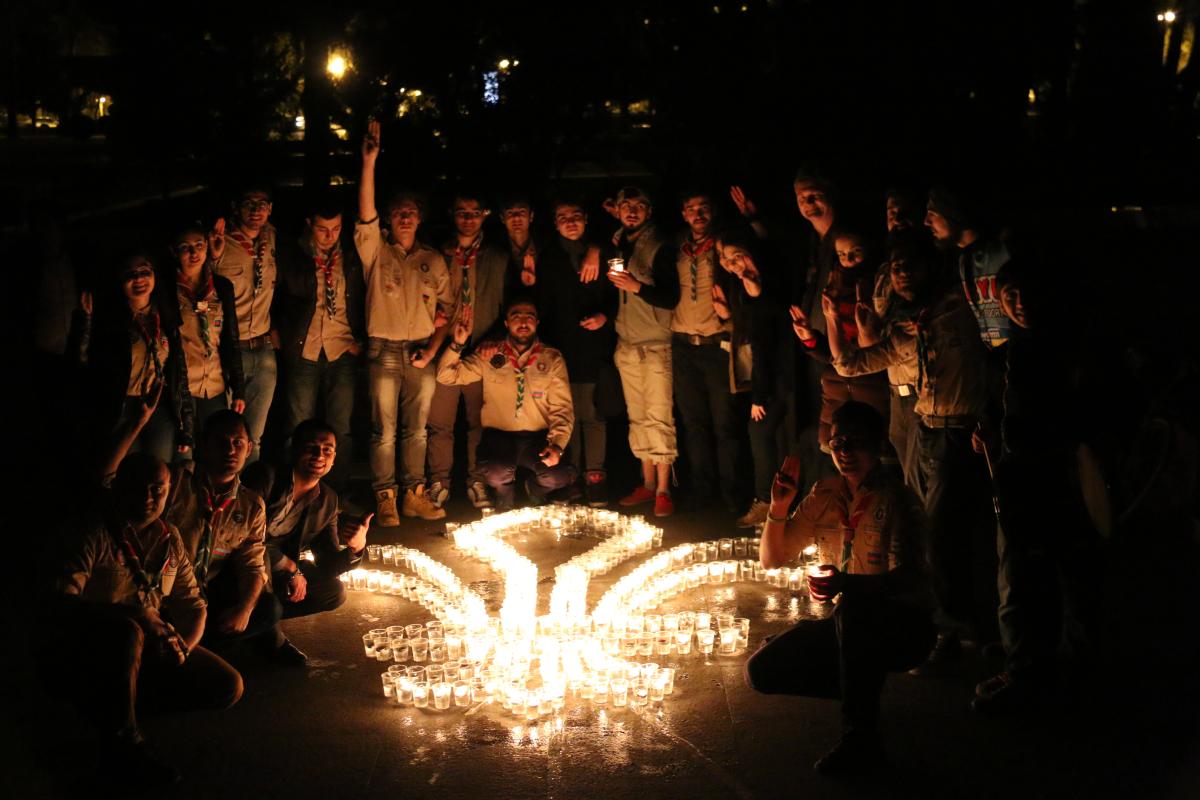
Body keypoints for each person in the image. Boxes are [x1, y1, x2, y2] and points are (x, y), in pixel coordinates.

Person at [825, 233, 996, 672]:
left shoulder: (960, 310)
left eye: (910, 265)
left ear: (930, 269)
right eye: (896, 266)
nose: (901, 274)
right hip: (925, 432)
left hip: (963, 431)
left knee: (949, 534)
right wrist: (832, 321)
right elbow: (852, 364)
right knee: (927, 531)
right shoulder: (906, 326)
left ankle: (959, 629)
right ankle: (951, 627)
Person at [745, 402, 933, 776]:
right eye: (837, 443)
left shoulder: (897, 500)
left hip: (903, 628)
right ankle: (859, 687)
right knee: (761, 670)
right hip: (850, 629)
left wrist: (846, 584)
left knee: (853, 609)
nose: (844, 452)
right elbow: (772, 558)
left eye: (855, 443)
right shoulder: (825, 494)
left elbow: (913, 582)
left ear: (878, 445)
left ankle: (861, 738)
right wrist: (779, 507)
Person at [45, 452, 242, 788]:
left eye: (158, 489)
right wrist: (134, 615)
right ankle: (124, 744)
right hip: (96, 646)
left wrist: (183, 647)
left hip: (151, 645)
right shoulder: (93, 532)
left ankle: (116, 710)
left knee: (228, 686)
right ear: (119, 487)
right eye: (139, 488)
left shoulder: (169, 537)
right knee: (127, 632)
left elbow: (193, 604)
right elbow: (60, 604)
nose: (149, 498)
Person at [971, 261, 1101, 713]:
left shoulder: (1071, 351)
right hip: (1016, 481)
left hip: (1060, 480)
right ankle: (1025, 666)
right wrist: (987, 430)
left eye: (1028, 293)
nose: (1020, 303)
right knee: (1018, 578)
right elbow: (993, 410)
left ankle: (1072, 672)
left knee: (1071, 576)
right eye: (1011, 295)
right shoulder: (1003, 355)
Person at [355, 120, 453, 524]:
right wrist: (369, 164)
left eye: (411, 213)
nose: (405, 218)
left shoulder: (432, 259)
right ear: (389, 221)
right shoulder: (376, 252)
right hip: (383, 349)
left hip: (420, 352)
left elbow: (445, 313)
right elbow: (365, 212)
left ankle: (414, 492)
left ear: (420, 219)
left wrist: (432, 348)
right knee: (385, 431)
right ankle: (385, 496)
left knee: (418, 430)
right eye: (398, 214)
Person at [242, 419, 372, 664]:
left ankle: (259, 619)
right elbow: (246, 537)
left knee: (333, 591)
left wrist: (355, 548)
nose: (318, 455)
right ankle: (271, 639)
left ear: (334, 457)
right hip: (242, 565)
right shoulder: (266, 477)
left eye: (327, 450)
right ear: (294, 449)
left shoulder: (327, 500)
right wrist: (290, 568)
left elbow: (328, 563)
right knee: (264, 570)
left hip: (275, 573)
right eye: (311, 447)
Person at [160, 410, 288, 659]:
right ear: (203, 446)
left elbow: (252, 564)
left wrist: (245, 609)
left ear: (249, 448)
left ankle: (195, 648)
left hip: (205, 593)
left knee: (267, 607)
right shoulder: (174, 482)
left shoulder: (251, 504)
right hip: (165, 592)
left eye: (237, 443)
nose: (230, 450)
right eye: (221, 442)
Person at [436, 297, 575, 509]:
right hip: (500, 436)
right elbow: (446, 376)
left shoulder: (551, 358)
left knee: (558, 476)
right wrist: (457, 345)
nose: (523, 322)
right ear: (506, 323)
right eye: (516, 316)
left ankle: (535, 489)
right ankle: (504, 495)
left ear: (537, 323)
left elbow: (562, 408)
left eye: (529, 317)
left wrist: (557, 446)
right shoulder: (490, 354)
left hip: (537, 438)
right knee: (496, 471)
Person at [428, 189, 512, 511]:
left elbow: (507, 302)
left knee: (479, 422)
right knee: (440, 423)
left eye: (474, 212)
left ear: (485, 215)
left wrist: (496, 343)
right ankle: (439, 481)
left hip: (482, 350)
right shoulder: (439, 253)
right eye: (462, 211)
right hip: (444, 348)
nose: (468, 218)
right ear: (453, 214)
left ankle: (477, 480)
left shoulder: (497, 256)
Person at [275, 195, 365, 491]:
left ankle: (334, 496)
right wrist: (280, 333)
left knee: (340, 429)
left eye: (336, 229)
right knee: (296, 427)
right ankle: (292, 494)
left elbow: (364, 297)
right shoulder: (294, 254)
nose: (330, 236)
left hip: (341, 349)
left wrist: (359, 338)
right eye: (323, 229)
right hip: (305, 349)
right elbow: (279, 296)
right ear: (309, 225)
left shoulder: (350, 255)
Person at [531, 197, 618, 506]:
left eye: (576, 215)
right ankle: (570, 478)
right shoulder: (548, 256)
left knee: (592, 412)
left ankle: (595, 476)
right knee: (565, 412)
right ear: (555, 223)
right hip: (560, 347)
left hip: (594, 345)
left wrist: (605, 316)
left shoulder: (602, 252)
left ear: (586, 219)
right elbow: (542, 301)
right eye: (563, 216)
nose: (570, 222)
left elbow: (615, 293)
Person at [606, 187, 681, 517]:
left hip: (656, 343)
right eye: (626, 207)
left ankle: (664, 489)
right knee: (636, 415)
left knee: (659, 414)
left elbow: (670, 297)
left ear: (649, 211)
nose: (632, 211)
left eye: (639, 206)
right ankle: (646, 483)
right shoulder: (619, 241)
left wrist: (636, 287)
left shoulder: (660, 246)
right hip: (627, 342)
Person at [670, 192, 745, 512]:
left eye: (703, 208)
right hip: (683, 345)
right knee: (693, 424)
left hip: (717, 345)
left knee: (725, 425)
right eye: (691, 209)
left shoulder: (725, 246)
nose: (698, 214)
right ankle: (702, 491)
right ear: (684, 214)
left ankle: (732, 494)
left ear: (713, 212)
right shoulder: (677, 247)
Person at [85, 250, 194, 465]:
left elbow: (179, 370)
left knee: (158, 470)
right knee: (125, 474)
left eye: (145, 271)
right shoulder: (110, 322)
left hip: (158, 405)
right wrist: (85, 322)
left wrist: (186, 425)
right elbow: (86, 365)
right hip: (123, 407)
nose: (138, 279)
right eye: (130, 274)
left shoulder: (165, 315)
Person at [211, 185, 280, 463]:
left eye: (262, 203)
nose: (255, 211)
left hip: (263, 348)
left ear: (270, 209)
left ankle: (249, 501)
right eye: (249, 203)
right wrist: (213, 258)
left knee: (253, 438)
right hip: (229, 351)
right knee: (225, 435)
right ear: (235, 207)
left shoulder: (271, 237)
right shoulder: (220, 242)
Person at [170, 224, 245, 425]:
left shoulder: (221, 287)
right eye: (186, 247)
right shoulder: (167, 290)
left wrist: (238, 389)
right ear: (175, 252)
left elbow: (231, 339)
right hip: (183, 386)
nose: (194, 253)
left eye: (199, 245)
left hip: (215, 383)